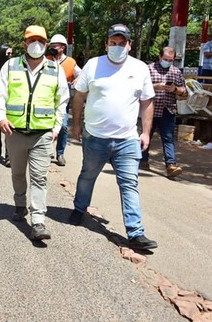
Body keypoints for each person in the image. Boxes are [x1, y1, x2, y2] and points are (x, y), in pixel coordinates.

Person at [69, 24, 158, 251]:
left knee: (129, 183)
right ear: (106, 44)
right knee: (88, 175)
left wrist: (146, 132)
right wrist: (76, 124)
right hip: (95, 137)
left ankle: (135, 232)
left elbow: (147, 102)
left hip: (127, 139)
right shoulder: (93, 65)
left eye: (122, 43)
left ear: (129, 45)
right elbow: (79, 96)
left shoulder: (140, 68)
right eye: (113, 43)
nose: (117, 47)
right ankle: (79, 209)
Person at [0, 25, 69, 241]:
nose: (36, 43)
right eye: (32, 39)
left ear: (46, 44)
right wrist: (1, 117)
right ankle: (19, 204)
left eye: (41, 40)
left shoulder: (56, 69)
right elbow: (0, 94)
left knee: (39, 177)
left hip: (43, 134)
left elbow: (61, 101)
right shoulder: (11, 66)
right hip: (14, 132)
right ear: (24, 43)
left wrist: (56, 128)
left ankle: (38, 221)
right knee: (17, 173)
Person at [140, 47, 186, 178]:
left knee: (168, 138)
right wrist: (156, 86)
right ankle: (142, 160)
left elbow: (184, 92)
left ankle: (171, 165)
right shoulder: (149, 69)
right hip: (150, 108)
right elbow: (139, 87)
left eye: (170, 60)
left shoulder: (176, 72)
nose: (168, 62)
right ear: (160, 57)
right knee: (146, 133)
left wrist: (175, 89)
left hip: (168, 109)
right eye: (165, 59)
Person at [47, 33, 81, 166]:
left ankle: (60, 153)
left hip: (63, 98)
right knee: (47, 124)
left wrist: (77, 78)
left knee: (63, 126)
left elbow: (81, 74)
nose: (53, 48)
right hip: (48, 97)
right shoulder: (47, 59)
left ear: (62, 47)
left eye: (55, 46)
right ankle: (47, 150)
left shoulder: (71, 62)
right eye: (52, 46)